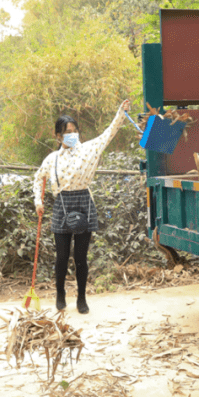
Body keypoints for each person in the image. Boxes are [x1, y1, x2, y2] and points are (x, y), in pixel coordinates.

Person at [34, 99, 131, 314]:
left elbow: (109, 133)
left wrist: (121, 113)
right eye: (67, 131)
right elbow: (38, 177)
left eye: (75, 130)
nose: (73, 134)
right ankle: (60, 294)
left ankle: (81, 298)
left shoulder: (89, 150)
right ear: (58, 137)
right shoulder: (51, 159)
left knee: (80, 258)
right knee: (61, 257)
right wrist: (38, 202)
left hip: (84, 202)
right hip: (62, 205)